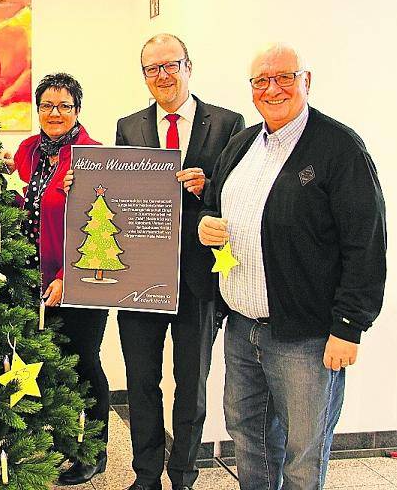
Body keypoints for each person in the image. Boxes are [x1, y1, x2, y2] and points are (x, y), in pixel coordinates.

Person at [199, 43, 386, 489]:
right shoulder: (242, 143)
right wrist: (206, 220)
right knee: (249, 438)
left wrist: (349, 326)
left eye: (285, 77)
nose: (273, 89)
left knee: (303, 453)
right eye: (261, 81)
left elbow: (366, 242)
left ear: (307, 81)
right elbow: (215, 202)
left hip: (307, 337)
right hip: (243, 328)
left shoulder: (340, 148)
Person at [67, 34, 244, 490]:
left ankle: (183, 475)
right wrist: (80, 185)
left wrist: (209, 186)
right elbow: (119, 193)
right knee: (141, 382)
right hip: (140, 279)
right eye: (152, 69)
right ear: (144, 76)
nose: (162, 75)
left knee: (192, 385)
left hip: (198, 280)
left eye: (170, 65)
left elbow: (241, 195)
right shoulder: (130, 126)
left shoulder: (228, 123)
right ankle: (146, 475)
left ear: (188, 66)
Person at [0, 73, 109, 485]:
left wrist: (67, 278)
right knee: (52, 365)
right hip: (35, 278)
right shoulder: (30, 151)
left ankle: (93, 452)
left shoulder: (93, 156)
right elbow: (26, 203)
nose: (55, 113)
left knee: (83, 363)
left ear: (78, 110)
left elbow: (95, 231)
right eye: (47, 105)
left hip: (79, 280)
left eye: (64, 105)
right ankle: (64, 444)